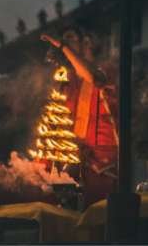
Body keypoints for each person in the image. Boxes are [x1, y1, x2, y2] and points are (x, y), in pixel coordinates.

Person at [41, 27, 118, 207]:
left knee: (98, 213)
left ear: (87, 43)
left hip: (102, 162)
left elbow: (93, 77)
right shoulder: (71, 79)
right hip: (75, 157)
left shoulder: (108, 69)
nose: (65, 44)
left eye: (71, 39)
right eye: (65, 39)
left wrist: (63, 46)